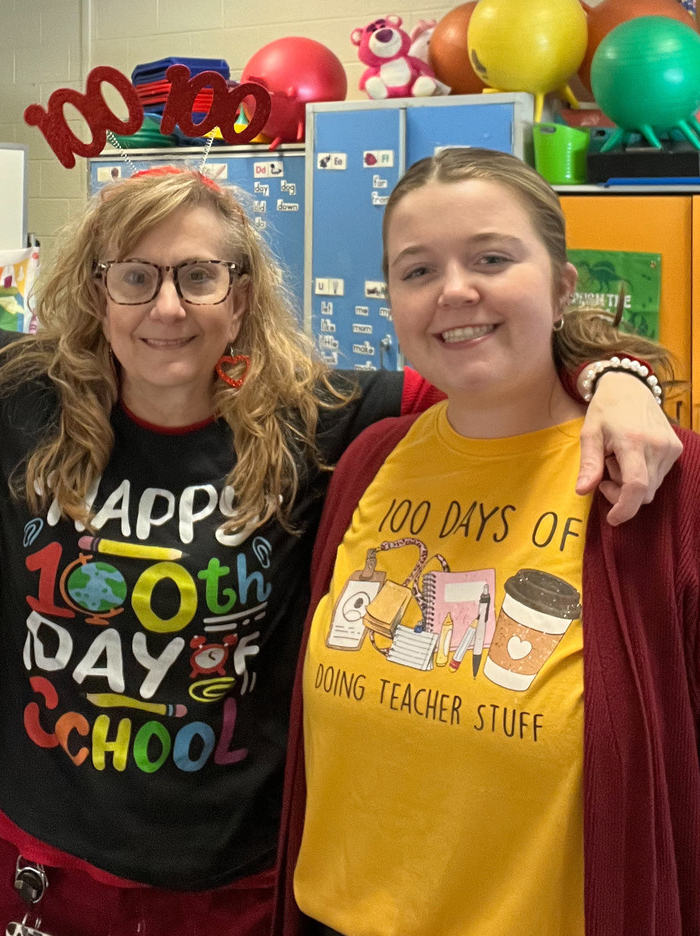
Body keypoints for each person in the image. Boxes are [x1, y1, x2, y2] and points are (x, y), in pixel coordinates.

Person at [0, 167, 681, 936]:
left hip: (226, 875)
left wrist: (617, 371)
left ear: (239, 293)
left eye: (199, 276)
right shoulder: (12, 385)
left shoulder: (327, 421)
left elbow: (496, 366)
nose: (167, 308)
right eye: (136, 277)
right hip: (26, 856)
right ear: (95, 291)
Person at [276, 147, 699, 936]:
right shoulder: (370, 461)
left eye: (492, 258)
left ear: (563, 284)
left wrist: (623, 376)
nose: (455, 291)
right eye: (417, 270)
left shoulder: (657, 480)